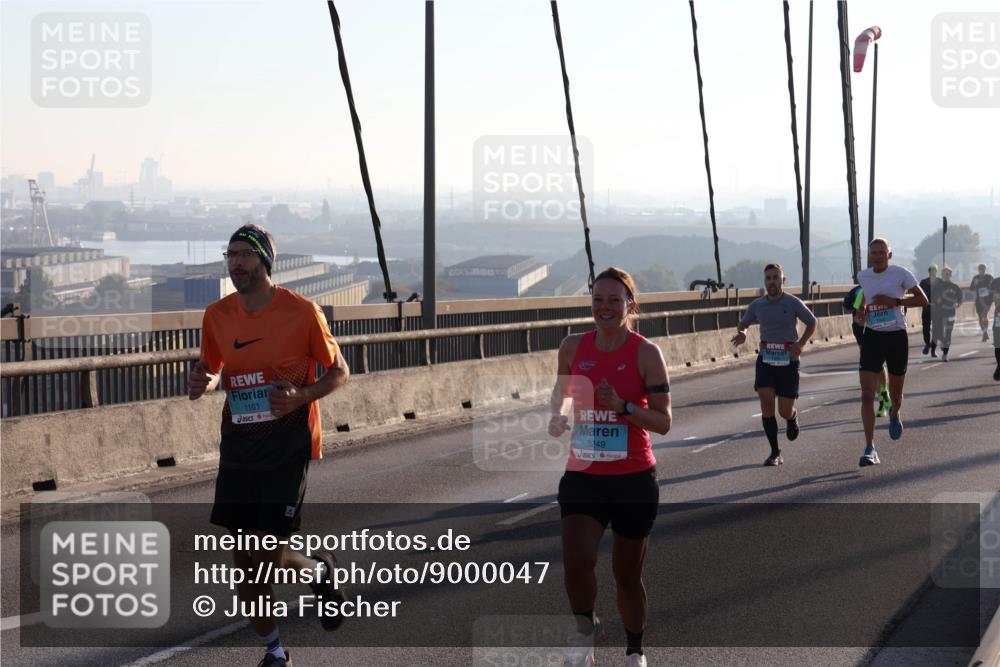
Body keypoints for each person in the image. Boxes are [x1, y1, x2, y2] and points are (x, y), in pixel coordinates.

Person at [188, 223, 350, 667]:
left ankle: (318, 569)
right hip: (239, 444)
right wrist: (204, 380)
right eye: (230, 255)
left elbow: (340, 373)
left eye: (244, 254)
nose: (235, 263)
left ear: (264, 260)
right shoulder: (217, 315)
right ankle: (276, 650)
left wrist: (301, 395)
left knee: (262, 548)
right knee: (245, 563)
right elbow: (213, 367)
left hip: (287, 443)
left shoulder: (302, 312)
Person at [548, 267, 671, 667]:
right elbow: (563, 391)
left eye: (614, 300)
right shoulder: (572, 346)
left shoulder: (646, 353)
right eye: (598, 299)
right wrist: (559, 414)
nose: (604, 308)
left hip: (633, 478)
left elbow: (664, 422)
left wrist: (624, 407)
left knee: (626, 577)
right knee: (576, 564)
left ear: (629, 305)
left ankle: (635, 648)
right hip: (584, 474)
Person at [731, 263, 817, 466]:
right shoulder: (757, 305)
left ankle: (792, 417)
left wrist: (801, 343)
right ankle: (775, 452)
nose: (772, 282)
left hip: (788, 361)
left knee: (784, 411)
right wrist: (743, 333)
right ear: (764, 282)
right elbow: (744, 323)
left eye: (775, 277)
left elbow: (812, 322)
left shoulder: (793, 302)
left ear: (783, 280)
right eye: (768, 278)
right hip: (766, 359)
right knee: (766, 401)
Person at [854, 238, 928, 467]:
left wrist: (894, 301)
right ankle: (870, 448)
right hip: (873, 336)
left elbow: (923, 300)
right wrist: (861, 310)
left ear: (889, 254)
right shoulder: (863, 276)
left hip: (896, 336)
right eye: (873, 253)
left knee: (896, 395)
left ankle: (895, 413)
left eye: (881, 252)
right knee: (867, 394)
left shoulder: (901, 274)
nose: (877, 256)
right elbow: (866, 295)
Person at [844, 284, 891, 417]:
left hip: (877, 328)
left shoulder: (884, 287)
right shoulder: (857, 291)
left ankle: (884, 396)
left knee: (877, 364)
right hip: (860, 329)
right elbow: (847, 305)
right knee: (872, 366)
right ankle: (884, 396)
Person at [932, 267, 963, 362]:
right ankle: (941, 343)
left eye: (949, 274)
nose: (947, 275)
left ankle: (945, 354)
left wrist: (957, 304)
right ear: (942, 275)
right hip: (939, 313)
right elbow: (932, 297)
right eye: (945, 273)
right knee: (938, 333)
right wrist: (936, 300)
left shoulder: (955, 287)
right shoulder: (937, 286)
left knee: (948, 334)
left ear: (951, 275)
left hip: (951, 313)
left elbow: (960, 299)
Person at [970, 263, 995, 343]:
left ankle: (985, 332)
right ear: (978, 270)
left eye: (983, 268)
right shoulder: (975, 278)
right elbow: (971, 288)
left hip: (988, 299)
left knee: (984, 314)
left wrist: (989, 289)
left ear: (985, 269)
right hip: (979, 300)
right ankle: (984, 332)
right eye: (980, 268)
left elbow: (994, 287)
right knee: (980, 317)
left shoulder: (989, 277)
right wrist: (975, 283)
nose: (982, 270)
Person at [919, 264, 939, 357]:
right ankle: (927, 344)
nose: (933, 271)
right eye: (931, 270)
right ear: (929, 271)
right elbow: (918, 294)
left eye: (934, 270)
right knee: (925, 328)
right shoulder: (923, 282)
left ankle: (933, 350)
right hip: (926, 308)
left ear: (936, 271)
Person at [992, 274, 1000, 381]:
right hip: (999, 316)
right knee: (998, 344)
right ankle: (999, 365)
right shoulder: (996, 281)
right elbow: (993, 297)